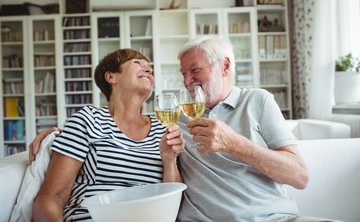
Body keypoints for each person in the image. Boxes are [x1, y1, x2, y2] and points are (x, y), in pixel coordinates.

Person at [30, 37, 342, 222]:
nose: (187, 80)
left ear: (224, 66)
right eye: (183, 73)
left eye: (195, 70)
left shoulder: (252, 102)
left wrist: (234, 143)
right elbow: (53, 194)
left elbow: (300, 176)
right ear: (111, 77)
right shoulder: (169, 118)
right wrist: (56, 135)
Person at [32, 48, 184, 221]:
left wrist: (170, 160)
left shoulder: (162, 127)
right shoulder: (88, 120)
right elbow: (52, 197)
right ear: (111, 77)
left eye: (149, 67)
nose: (148, 69)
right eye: (137, 63)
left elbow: (172, 197)